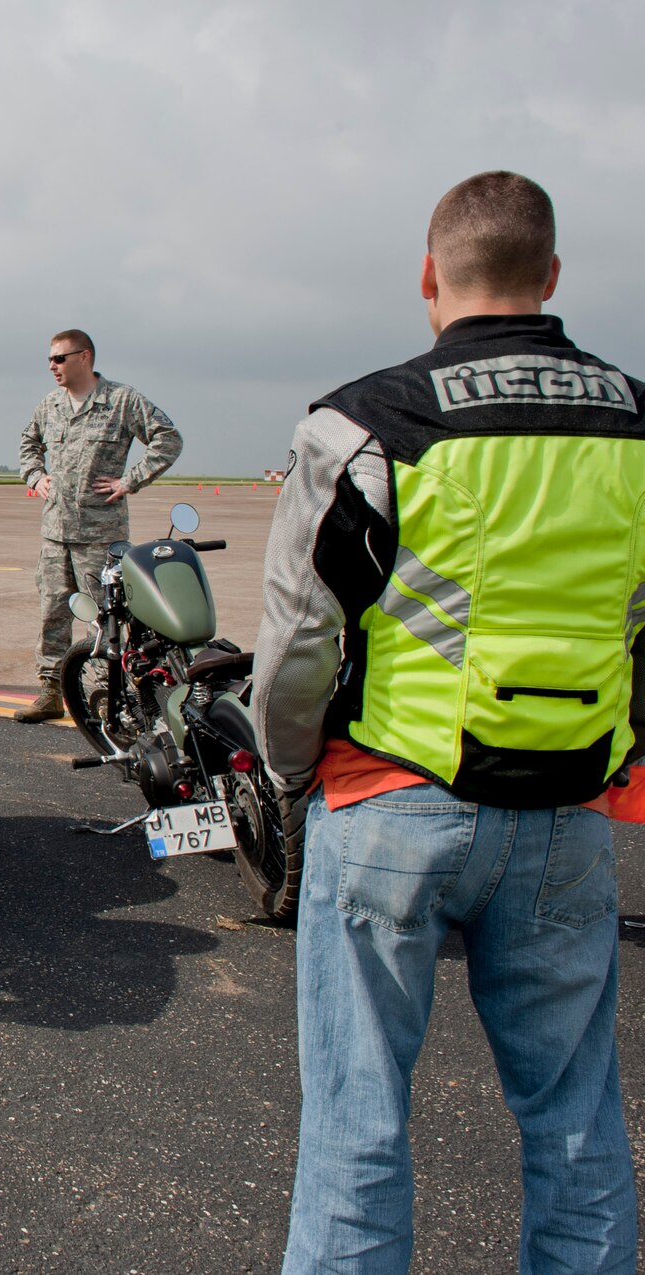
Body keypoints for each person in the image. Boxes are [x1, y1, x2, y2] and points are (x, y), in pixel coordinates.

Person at [256, 171, 640, 1273]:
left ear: (429, 278)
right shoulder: (634, 424)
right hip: (567, 816)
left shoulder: (362, 423)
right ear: (552, 277)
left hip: (388, 804)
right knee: (574, 1124)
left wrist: (291, 771)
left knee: (354, 1128)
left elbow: (296, 637)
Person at [13, 329, 182, 722]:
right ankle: (51, 691)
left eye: (60, 358)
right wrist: (36, 476)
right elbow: (28, 443)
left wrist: (130, 481)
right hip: (56, 533)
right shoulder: (51, 405)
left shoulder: (121, 401)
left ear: (84, 357)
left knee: (103, 619)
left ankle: (110, 698)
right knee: (52, 613)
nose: (52, 366)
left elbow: (167, 439)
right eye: (50, 360)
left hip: (100, 535)